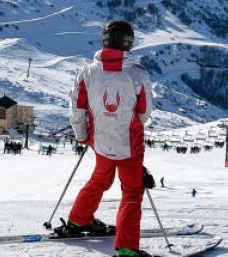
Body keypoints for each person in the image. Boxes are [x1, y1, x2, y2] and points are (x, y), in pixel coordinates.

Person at [54, 20, 154, 257]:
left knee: (100, 179)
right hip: (129, 144)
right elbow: (144, 112)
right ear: (128, 43)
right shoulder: (136, 74)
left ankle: (78, 222)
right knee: (131, 192)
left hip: (100, 141)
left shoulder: (86, 72)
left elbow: (77, 108)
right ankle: (127, 249)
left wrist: (82, 136)